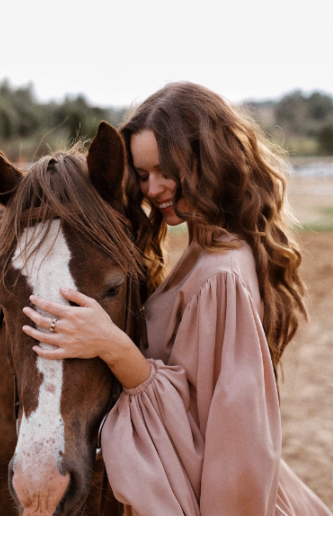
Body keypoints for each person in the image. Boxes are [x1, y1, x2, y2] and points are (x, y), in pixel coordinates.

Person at [22, 82, 332, 516]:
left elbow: (232, 440)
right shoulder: (205, 250)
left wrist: (112, 345)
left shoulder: (222, 275)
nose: (153, 188)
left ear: (208, 159)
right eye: (143, 175)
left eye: (166, 170)